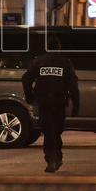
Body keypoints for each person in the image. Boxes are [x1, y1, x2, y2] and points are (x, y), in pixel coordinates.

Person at [22, 37, 79, 173]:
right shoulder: (65, 63)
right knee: (56, 131)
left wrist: (29, 96)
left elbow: (25, 79)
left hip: (43, 102)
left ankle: (52, 159)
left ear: (47, 47)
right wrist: (76, 104)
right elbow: (73, 84)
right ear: (59, 48)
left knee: (48, 131)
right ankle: (56, 157)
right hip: (59, 102)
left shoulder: (38, 61)